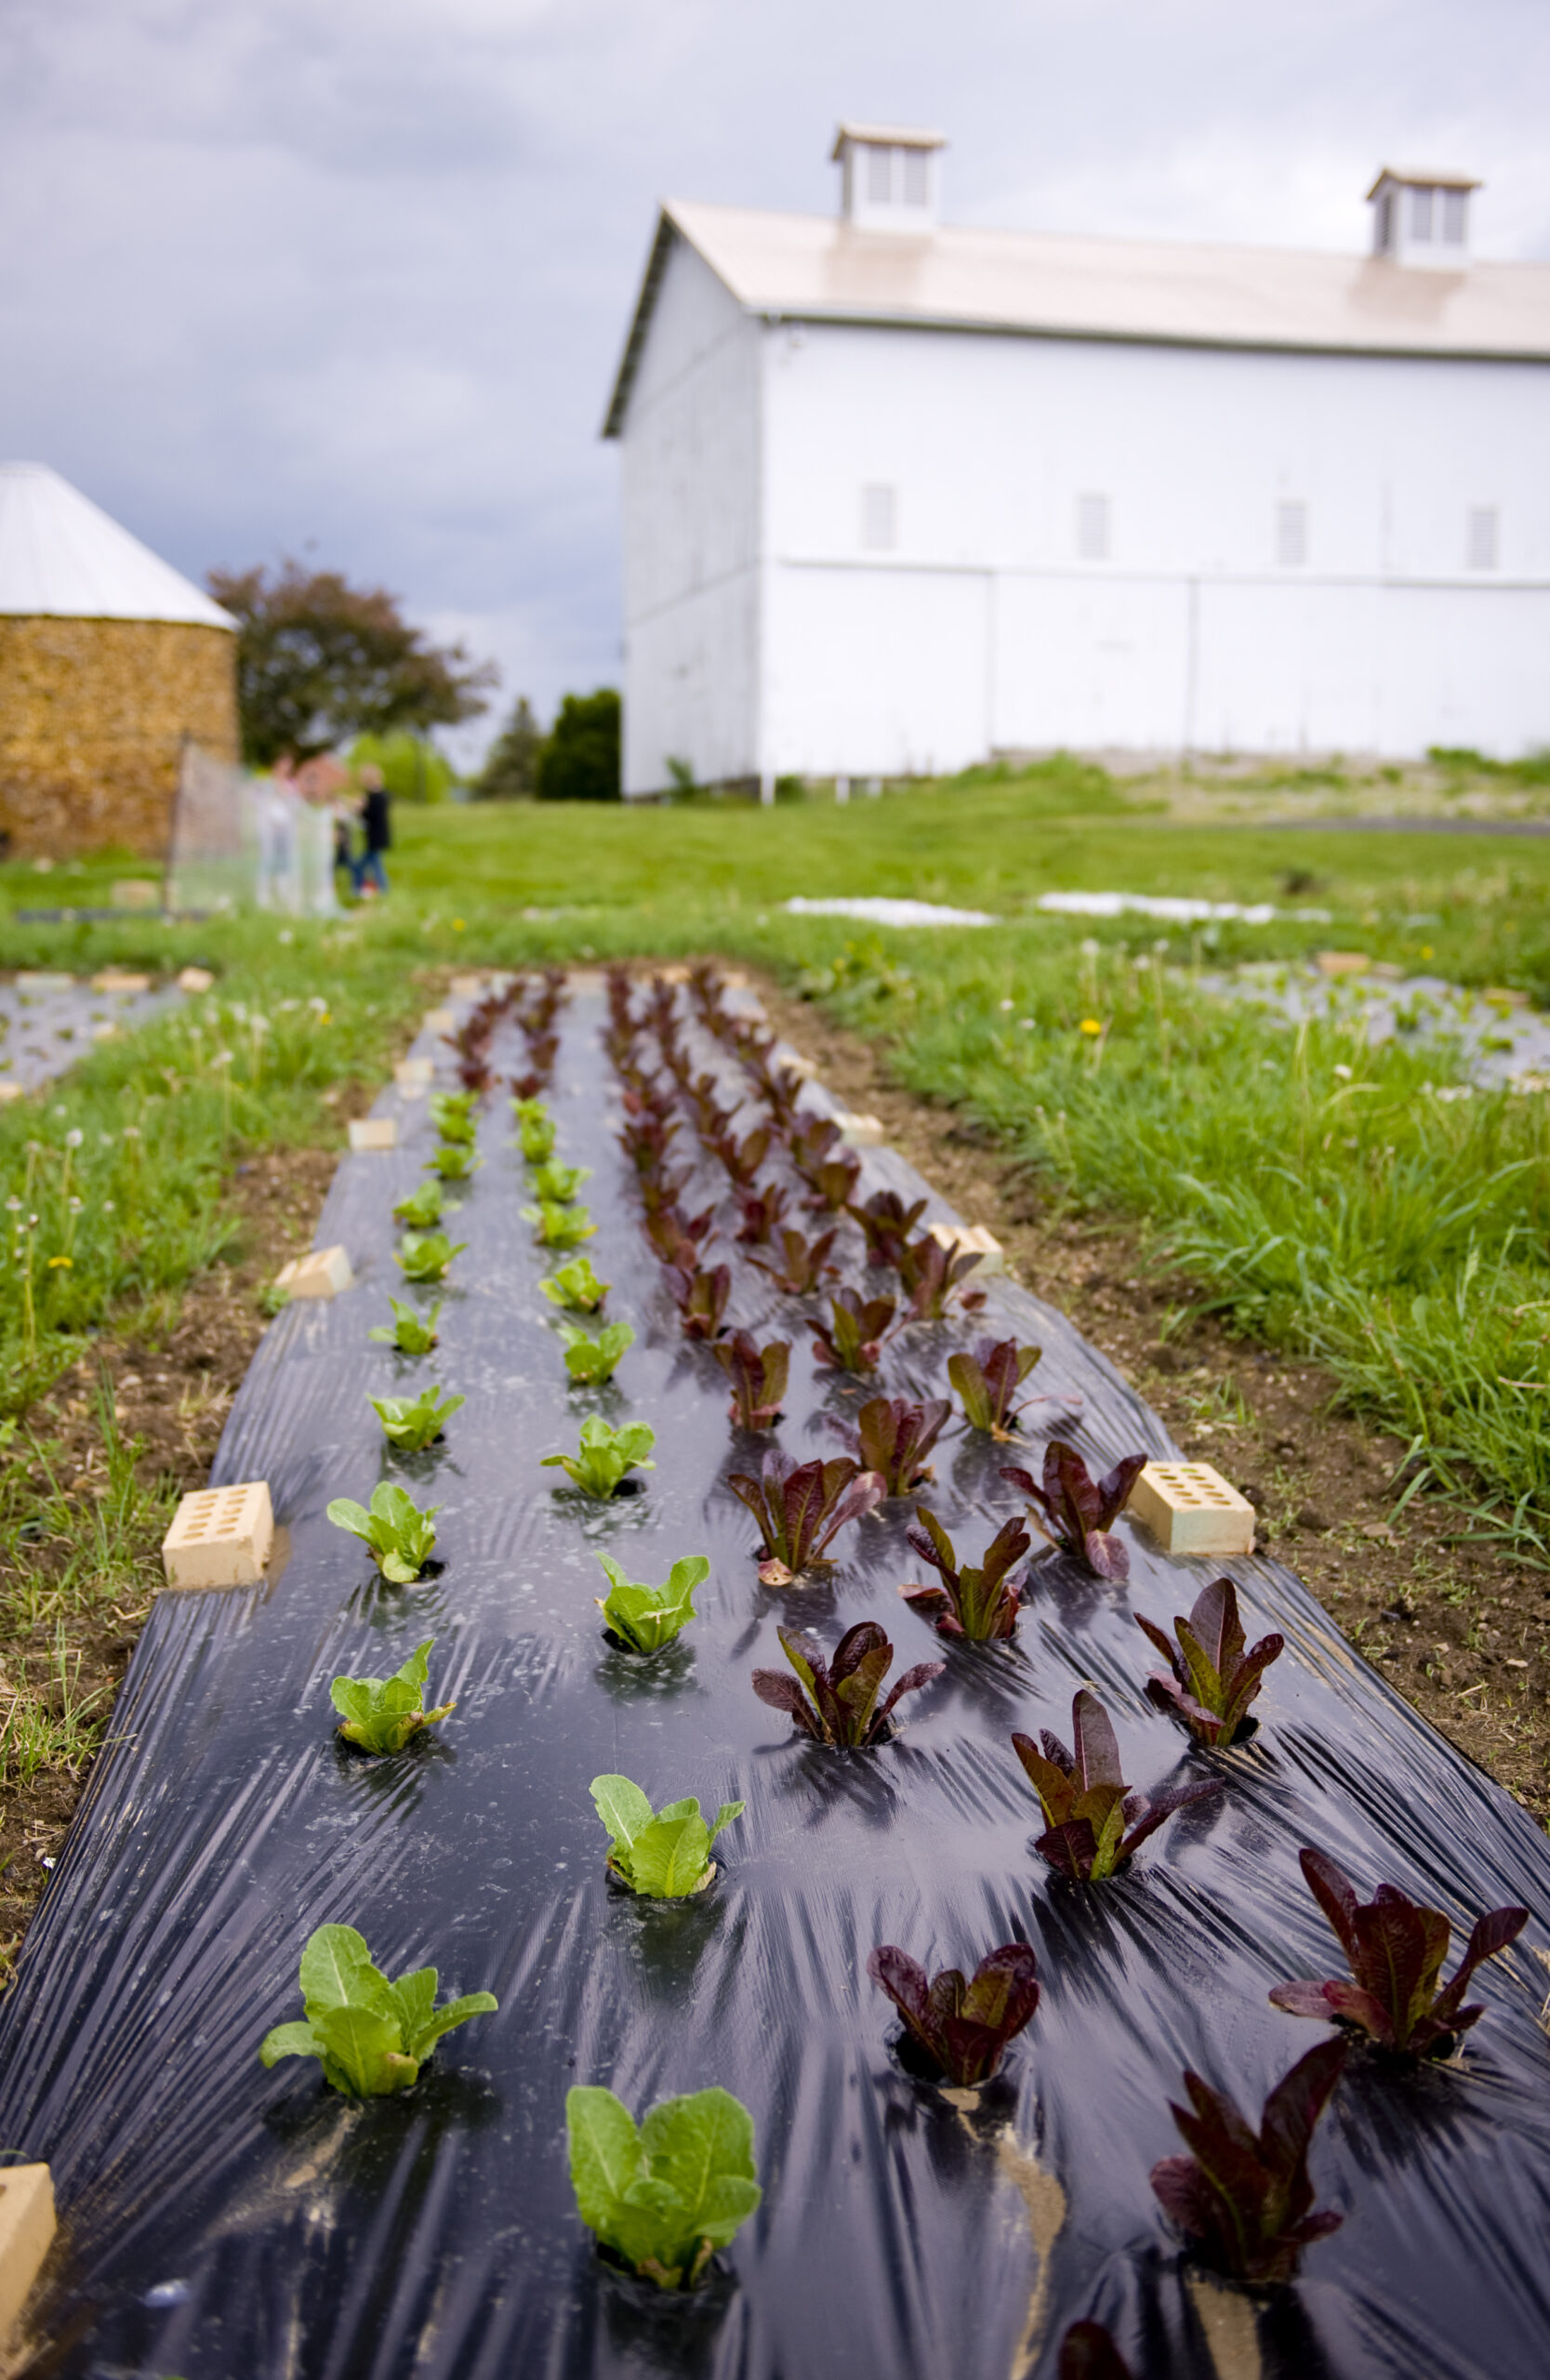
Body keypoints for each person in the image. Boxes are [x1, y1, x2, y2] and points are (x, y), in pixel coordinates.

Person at [353, 763, 391, 896]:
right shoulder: (382, 794)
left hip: (375, 837)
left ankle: (380, 889)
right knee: (373, 864)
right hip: (377, 837)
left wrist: (360, 809)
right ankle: (364, 888)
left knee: (370, 865)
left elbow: (371, 816)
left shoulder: (375, 797)